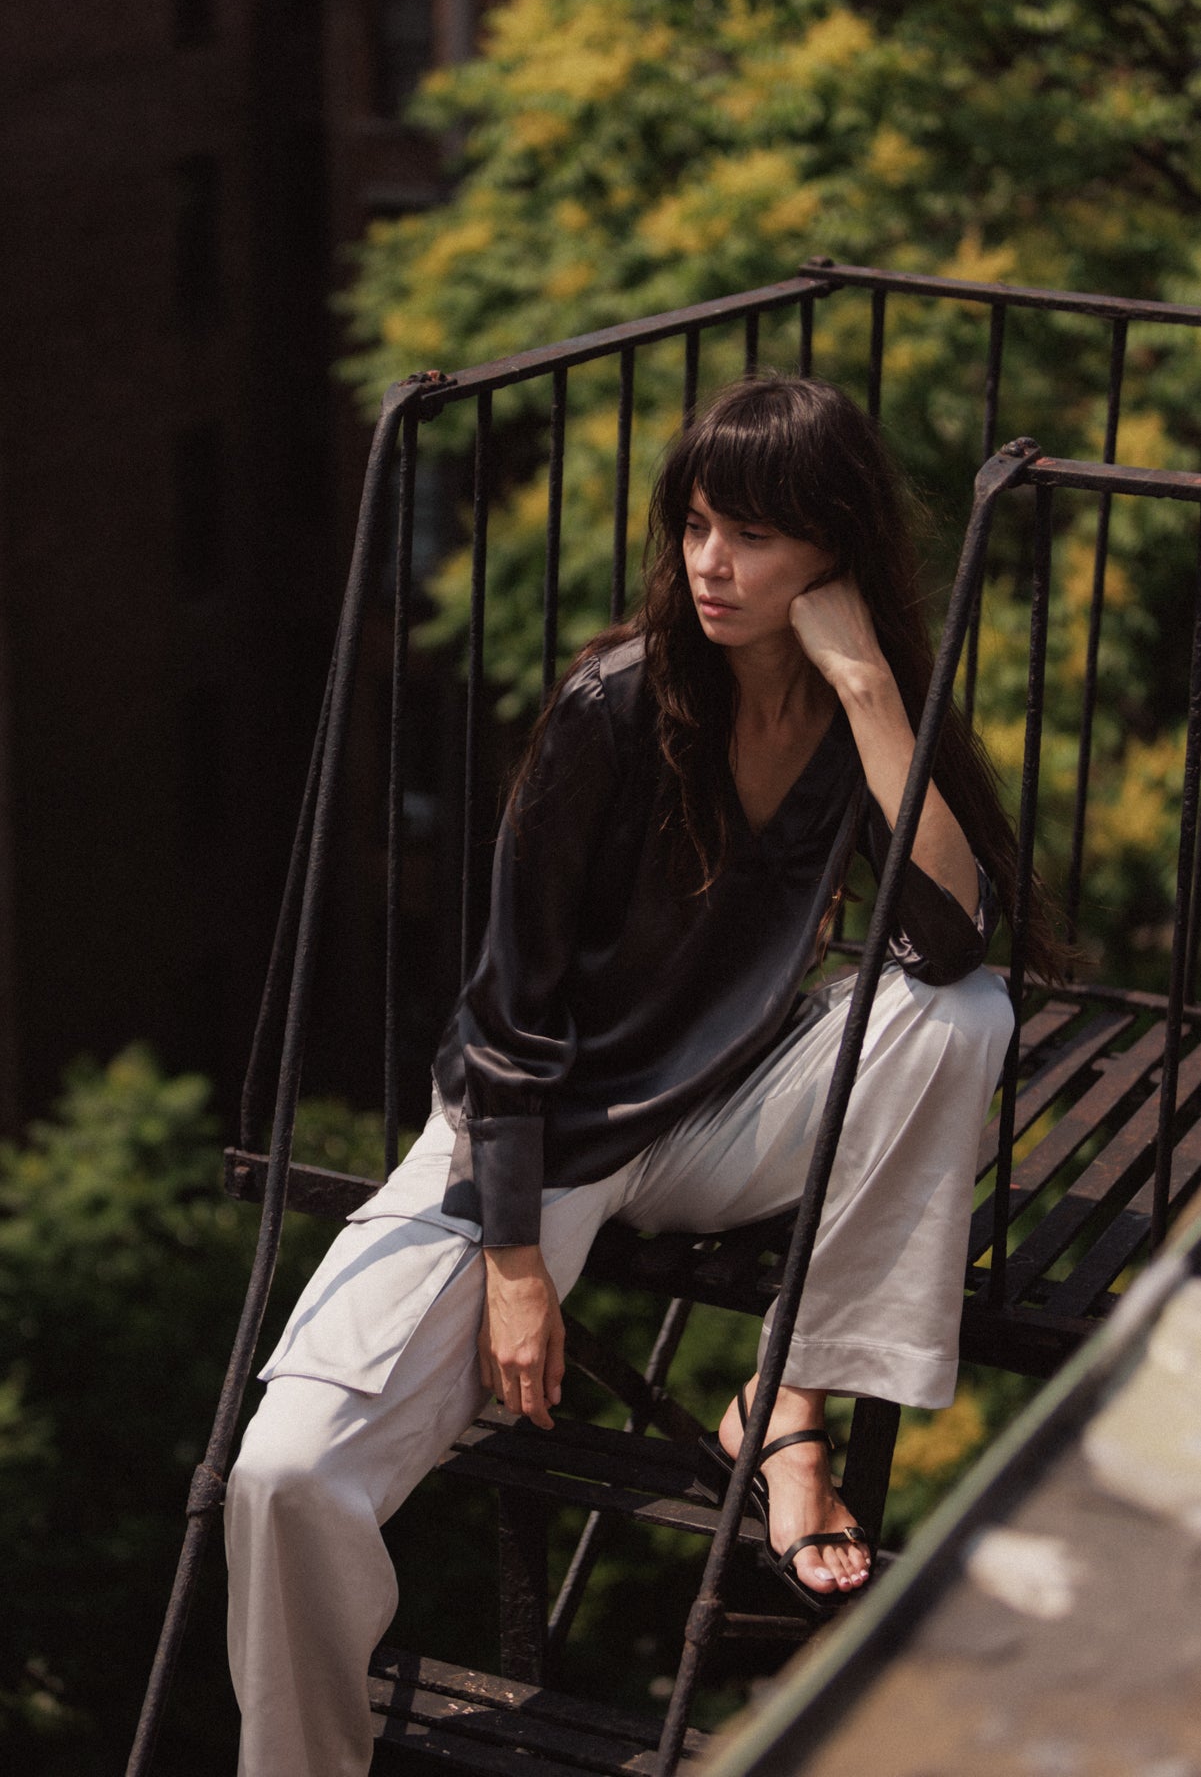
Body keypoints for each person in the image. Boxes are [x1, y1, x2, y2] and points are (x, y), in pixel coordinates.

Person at [225, 374, 1058, 1777]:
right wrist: (511, 1268)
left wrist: (865, 689)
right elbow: (503, 1016)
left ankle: (782, 1402)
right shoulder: (612, 707)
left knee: (959, 1019)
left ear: (834, 550)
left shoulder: (864, 709)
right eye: (695, 527)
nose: (712, 566)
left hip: (716, 1113)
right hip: (535, 1134)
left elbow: (948, 938)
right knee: (284, 1480)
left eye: (753, 536)